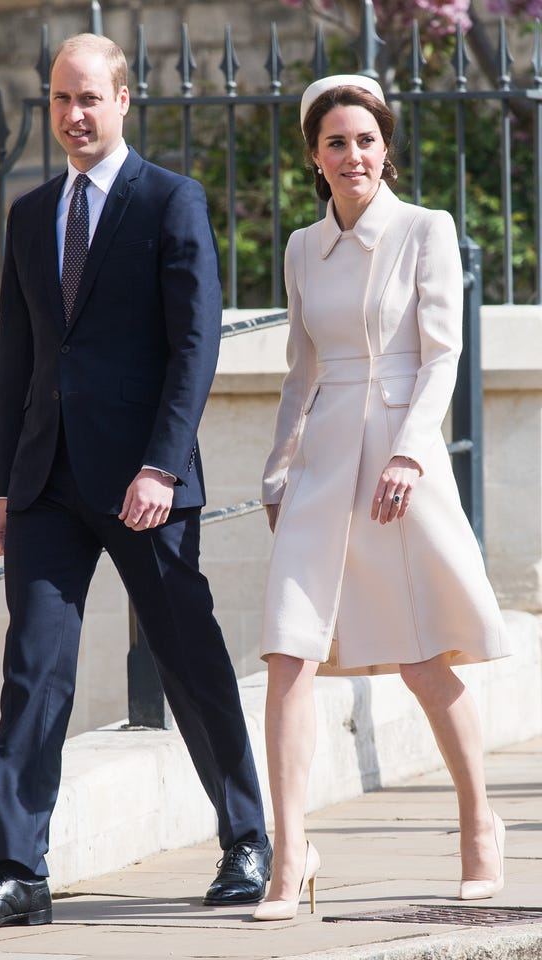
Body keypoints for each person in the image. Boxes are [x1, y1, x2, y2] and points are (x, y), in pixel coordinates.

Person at [0, 33, 271, 929]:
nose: (73, 115)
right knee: (33, 669)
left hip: (144, 482)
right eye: (60, 99)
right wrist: (7, 485)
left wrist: (162, 463)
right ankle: (19, 871)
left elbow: (195, 346)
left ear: (125, 101)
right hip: (48, 481)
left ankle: (246, 838)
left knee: (189, 660)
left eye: (90, 98)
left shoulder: (171, 201)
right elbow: (20, 359)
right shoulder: (28, 213)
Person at [252, 74, 511, 923]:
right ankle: (289, 856)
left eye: (365, 140)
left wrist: (408, 453)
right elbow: (302, 371)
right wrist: (277, 469)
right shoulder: (299, 248)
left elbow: (442, 356)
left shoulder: (424, 230)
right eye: (336, 143)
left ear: (385, 147)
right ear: (314, 159)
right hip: (322, 461)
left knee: (420, 657)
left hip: (401, 463)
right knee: (288, 656)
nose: (352, 155)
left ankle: (480, 822)